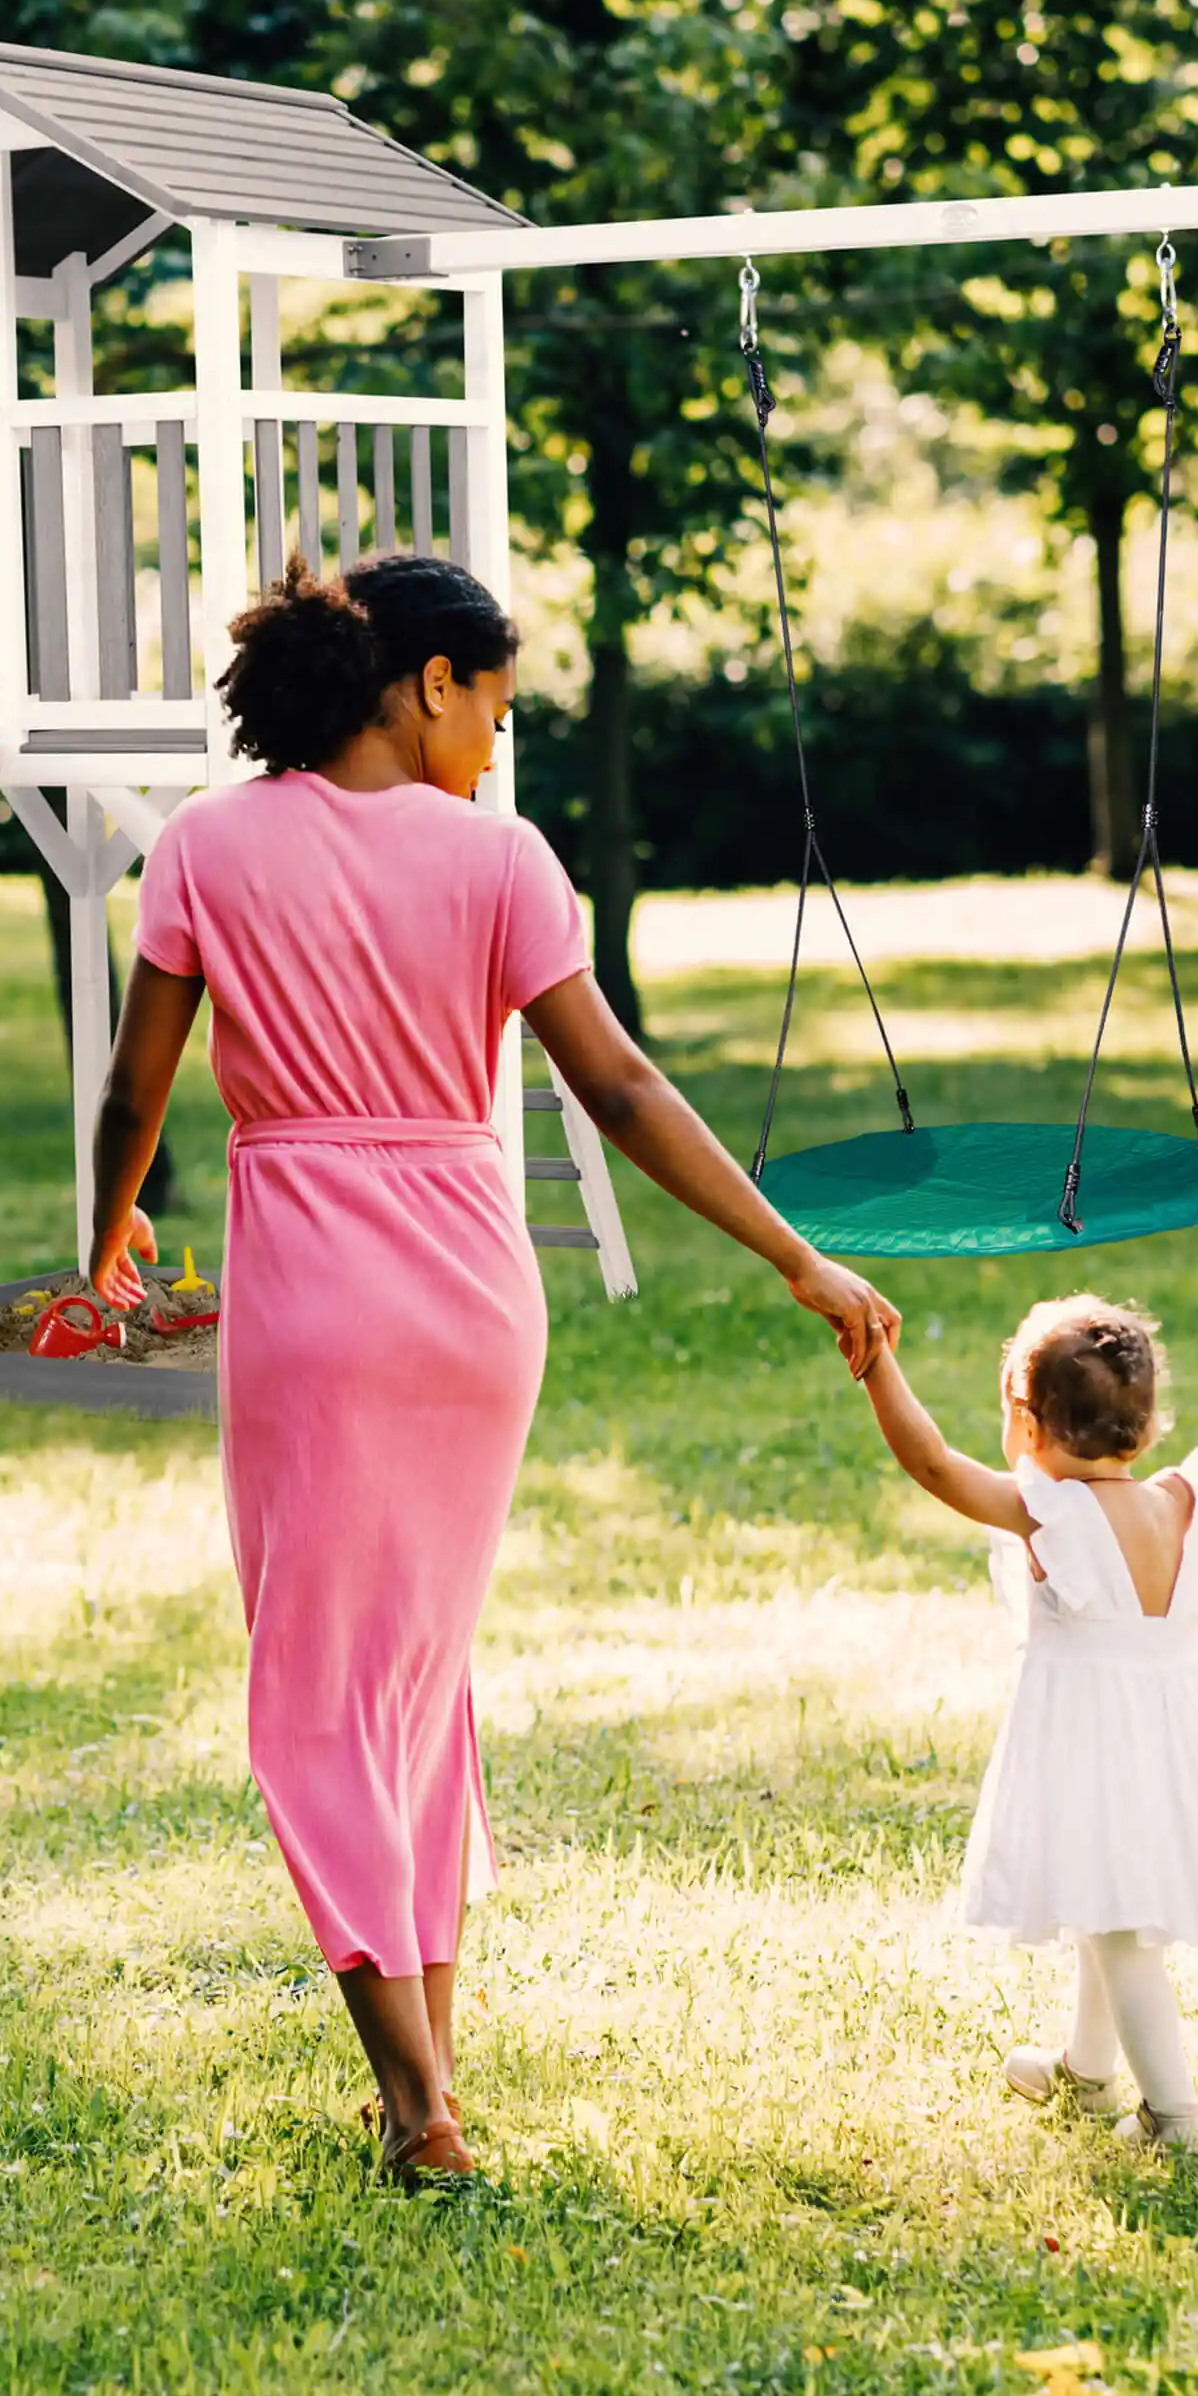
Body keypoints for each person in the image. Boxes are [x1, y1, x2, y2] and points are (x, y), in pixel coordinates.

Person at [87, 553, 900, 2183]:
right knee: (414, 1683)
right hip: (471, 1294)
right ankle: (431, 2074)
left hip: (314, 1294)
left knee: (318, 1694)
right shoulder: (502, 863)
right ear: (427, 682)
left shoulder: (205, 847)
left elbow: (137, 1088)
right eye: (497, 707)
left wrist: (103, 1236)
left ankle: (417, 2103)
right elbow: (619, 1091)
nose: (497, 744)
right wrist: (795, 1253)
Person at [854, 1295, 1198, 2152]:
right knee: (1101, 1896)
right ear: (1146, 1428)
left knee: (1119, 1929)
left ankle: (1173, 2117)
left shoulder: (1050, 1514)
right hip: (1169, 1737)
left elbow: (932, 1464)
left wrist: (877, 1365)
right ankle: (1086, 2072)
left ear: (1028, 1424)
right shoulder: (1181, 1499)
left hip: (1092, 1742)